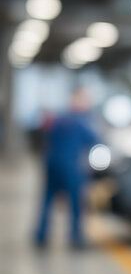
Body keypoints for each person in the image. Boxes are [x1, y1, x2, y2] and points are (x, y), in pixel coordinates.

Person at [35, 88, 99, 248]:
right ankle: (76, 238)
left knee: (47, 200)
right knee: (76, 202)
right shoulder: (82, 120)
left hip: (51, 163)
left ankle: (41, 236)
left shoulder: (58, 118)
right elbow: (94, 139)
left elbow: (46, 138)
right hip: (70, 166)